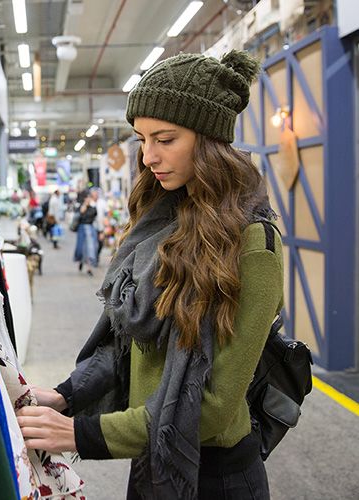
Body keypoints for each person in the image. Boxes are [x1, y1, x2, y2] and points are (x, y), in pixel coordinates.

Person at [17, 50, 282, 500]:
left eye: (165, 138)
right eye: (142, 139)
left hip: (214, 477)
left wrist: (81, 433)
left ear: (210, 140)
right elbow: (127, 345)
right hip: (153, 462)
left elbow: (212, 408)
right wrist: (67, 395)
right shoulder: (160, 225)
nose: (150, 156)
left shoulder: (253, 243)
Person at [72, 189, 99, 276]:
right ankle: (81, 261)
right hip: (82, 229)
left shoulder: (93, 208)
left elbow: (94, 215)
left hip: (90, 229)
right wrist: (84, 205)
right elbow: (80, 213)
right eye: (87, 197)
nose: (88, 199)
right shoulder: (81, 207)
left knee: (90, 248)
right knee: (81, 248)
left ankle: (89, 268)